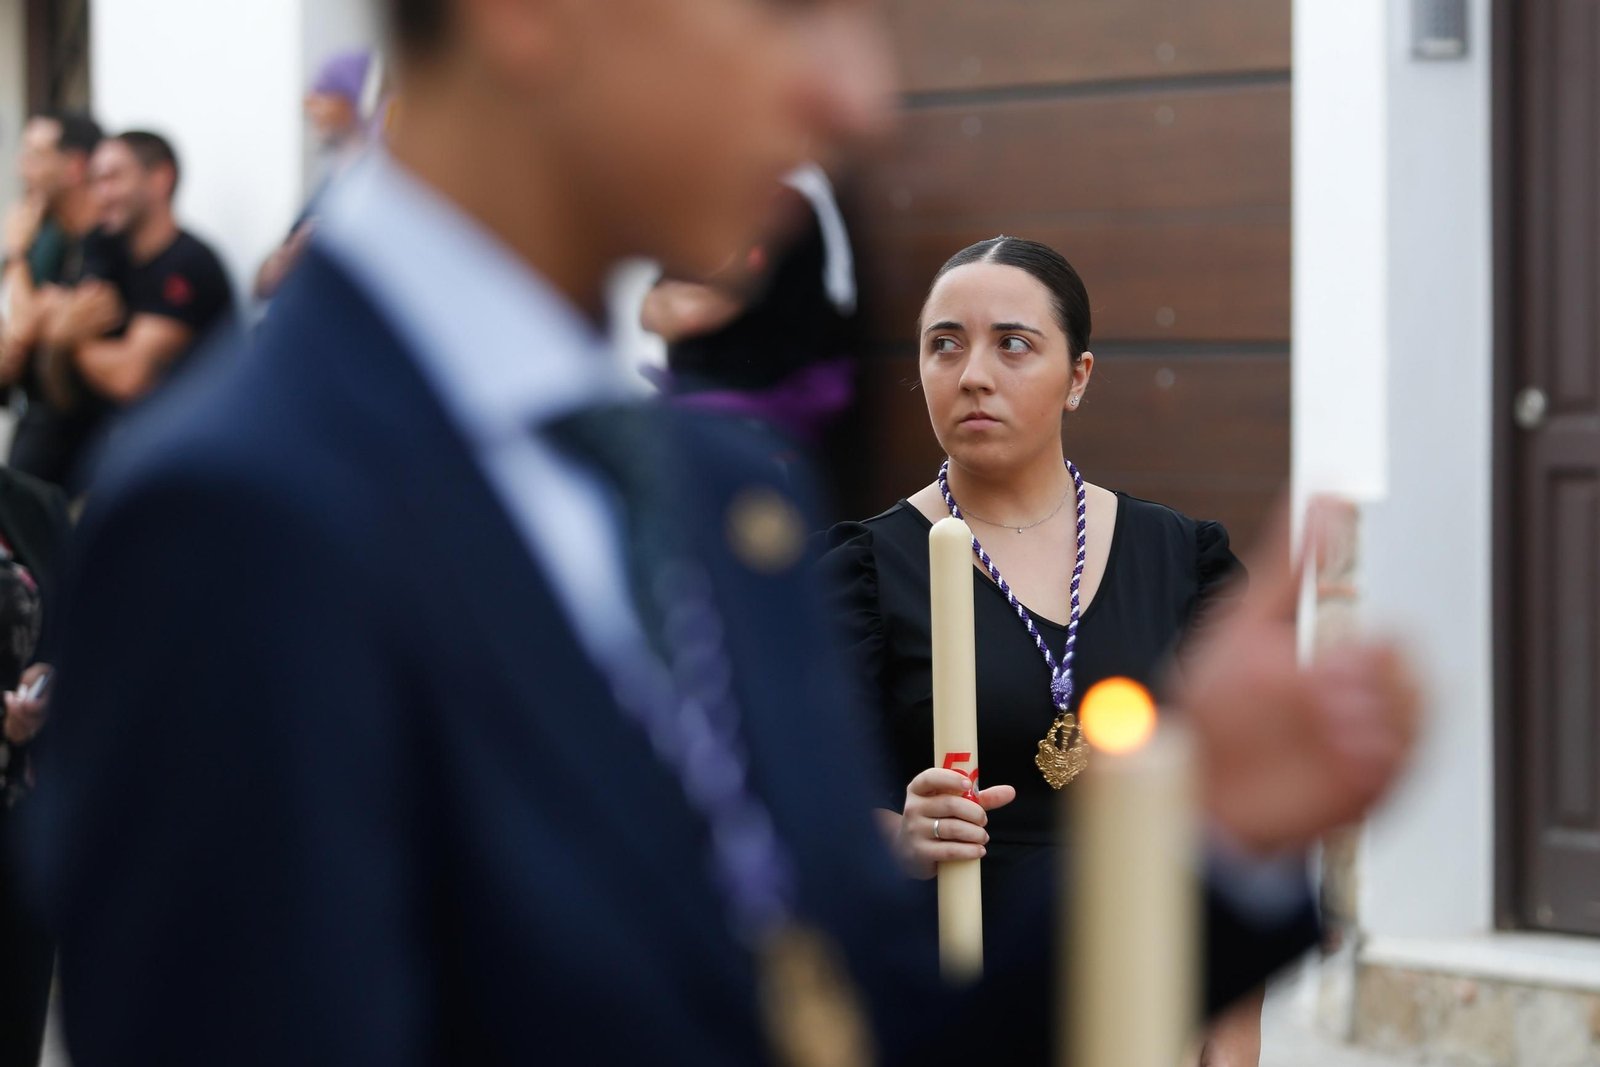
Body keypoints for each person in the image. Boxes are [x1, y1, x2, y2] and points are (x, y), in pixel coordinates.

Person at [30, 3, 1418, 1065]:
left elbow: (845, 1012)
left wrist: (1213, 844)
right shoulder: (235, 516)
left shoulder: (717, 493)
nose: (853, 92)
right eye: (780, 7)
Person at [821, 235, 1294, 1063]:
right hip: (952, 1007)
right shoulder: (860, 573)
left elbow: (1234, 807)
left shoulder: (1181, 559)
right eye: (945, 344)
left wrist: (1230, 1036)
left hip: (1143, 1004)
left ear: (1078, 376)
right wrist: (894, 836)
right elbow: (793, 805)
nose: (973, 373)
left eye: (1013, 343)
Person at [25, 131, 234, 492]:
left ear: (160, 180)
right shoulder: (109, 258)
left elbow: (129, 376)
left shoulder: (189, 264)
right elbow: (63, 389)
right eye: (95, 180)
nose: (100, 194)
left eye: (113, 177)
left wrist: (65, 338)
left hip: (184, 475)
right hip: (105, 470)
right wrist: (59, 337)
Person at [0, 466, 71, 1067]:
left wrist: (49, 678)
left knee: (16, 1026)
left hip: (21, 814)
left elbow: (80, 625)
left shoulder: (33, 502)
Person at [0, 112, 105, 486]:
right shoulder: (45, 237)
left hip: (89, 444)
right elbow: (16, 332)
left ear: (75, 166)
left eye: (35, 155)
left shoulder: (105, 239)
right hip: (36, 430)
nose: (22, 169)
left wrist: (13, 254)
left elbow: (24, 327)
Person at [254, 49, 375, 301]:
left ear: (356, 102)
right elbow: (264, 281)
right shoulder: (330, 181)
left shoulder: (377, 188)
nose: (309, 106)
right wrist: (276, 267)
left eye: (324, 93)